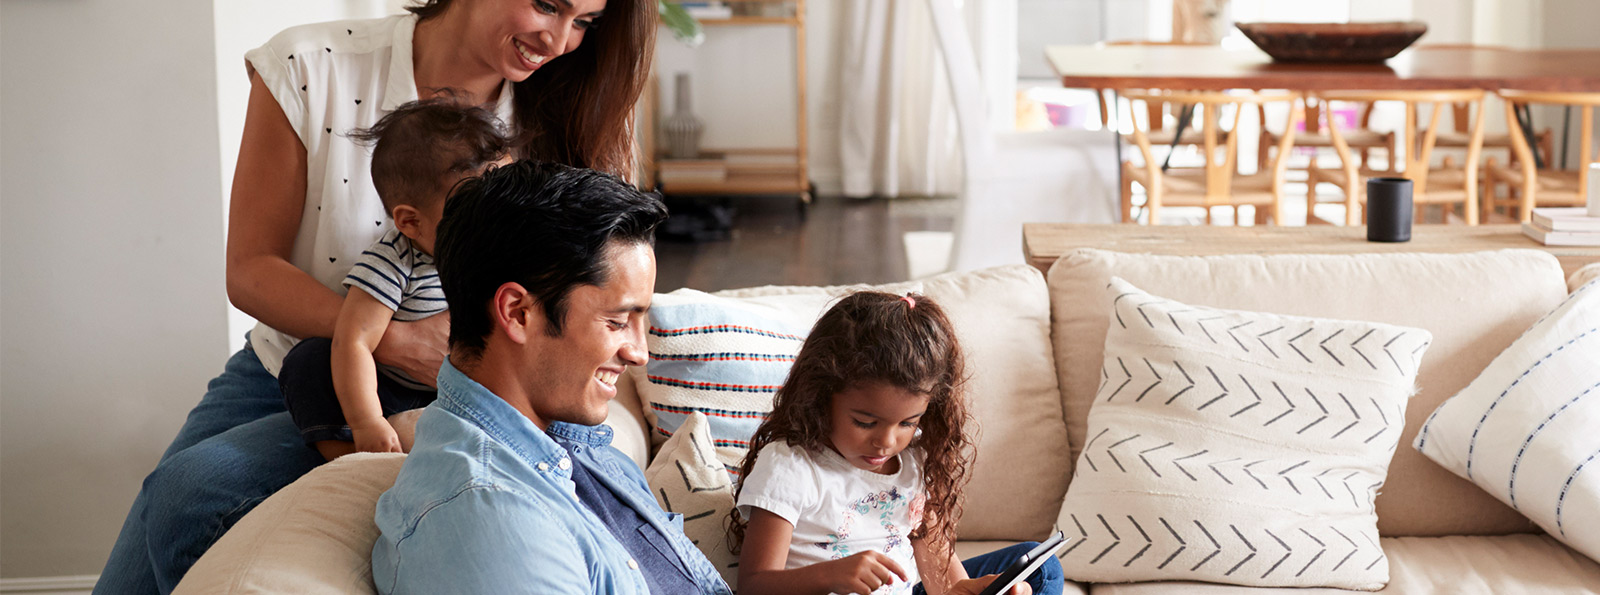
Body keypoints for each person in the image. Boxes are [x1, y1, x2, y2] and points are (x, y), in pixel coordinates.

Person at [95, 0, 655, 591]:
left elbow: (601, 288)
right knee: (171, 504)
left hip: (456, 390)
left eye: (586, 22)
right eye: (548, 5)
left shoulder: (562, 113)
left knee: (189, 495)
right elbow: (252, 269)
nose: (560, 39)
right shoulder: (311, 67)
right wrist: (389, 339)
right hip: (289, 361)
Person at [371, 160, 731, 594]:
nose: (639, 354)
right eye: (617, 322)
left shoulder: (578, 447)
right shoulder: (491, 520)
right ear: (518, 313)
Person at [730, 292, 1064, 595]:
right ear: (821, 395)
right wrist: (829, 575)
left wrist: (968, 591)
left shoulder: (914, 461)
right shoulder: (791, 465)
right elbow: (753, 585)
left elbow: (945, 583)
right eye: (865, 422)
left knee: (1039, 572)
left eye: (907, 423)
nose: (886, 442)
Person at [277, 98, 511, 462]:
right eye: (473, 210)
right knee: (310, 360)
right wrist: (366, 420)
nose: (495, 223)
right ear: (411, 222)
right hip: (391, 391)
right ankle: (347, 456)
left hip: (464, 391)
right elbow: (353, 341)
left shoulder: (504, 252)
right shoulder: (395, 261)